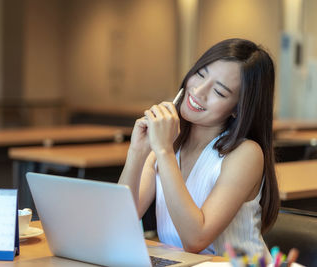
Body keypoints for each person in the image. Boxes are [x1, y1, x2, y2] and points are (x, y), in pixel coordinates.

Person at [118, 38, 280, 259]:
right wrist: (137, 152)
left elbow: (195, 239)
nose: (198, 90)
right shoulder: (168, 142)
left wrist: (164, 151)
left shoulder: (246, 154)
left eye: (220, 92)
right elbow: (119, 222)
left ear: (237, 109)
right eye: (201, 74)